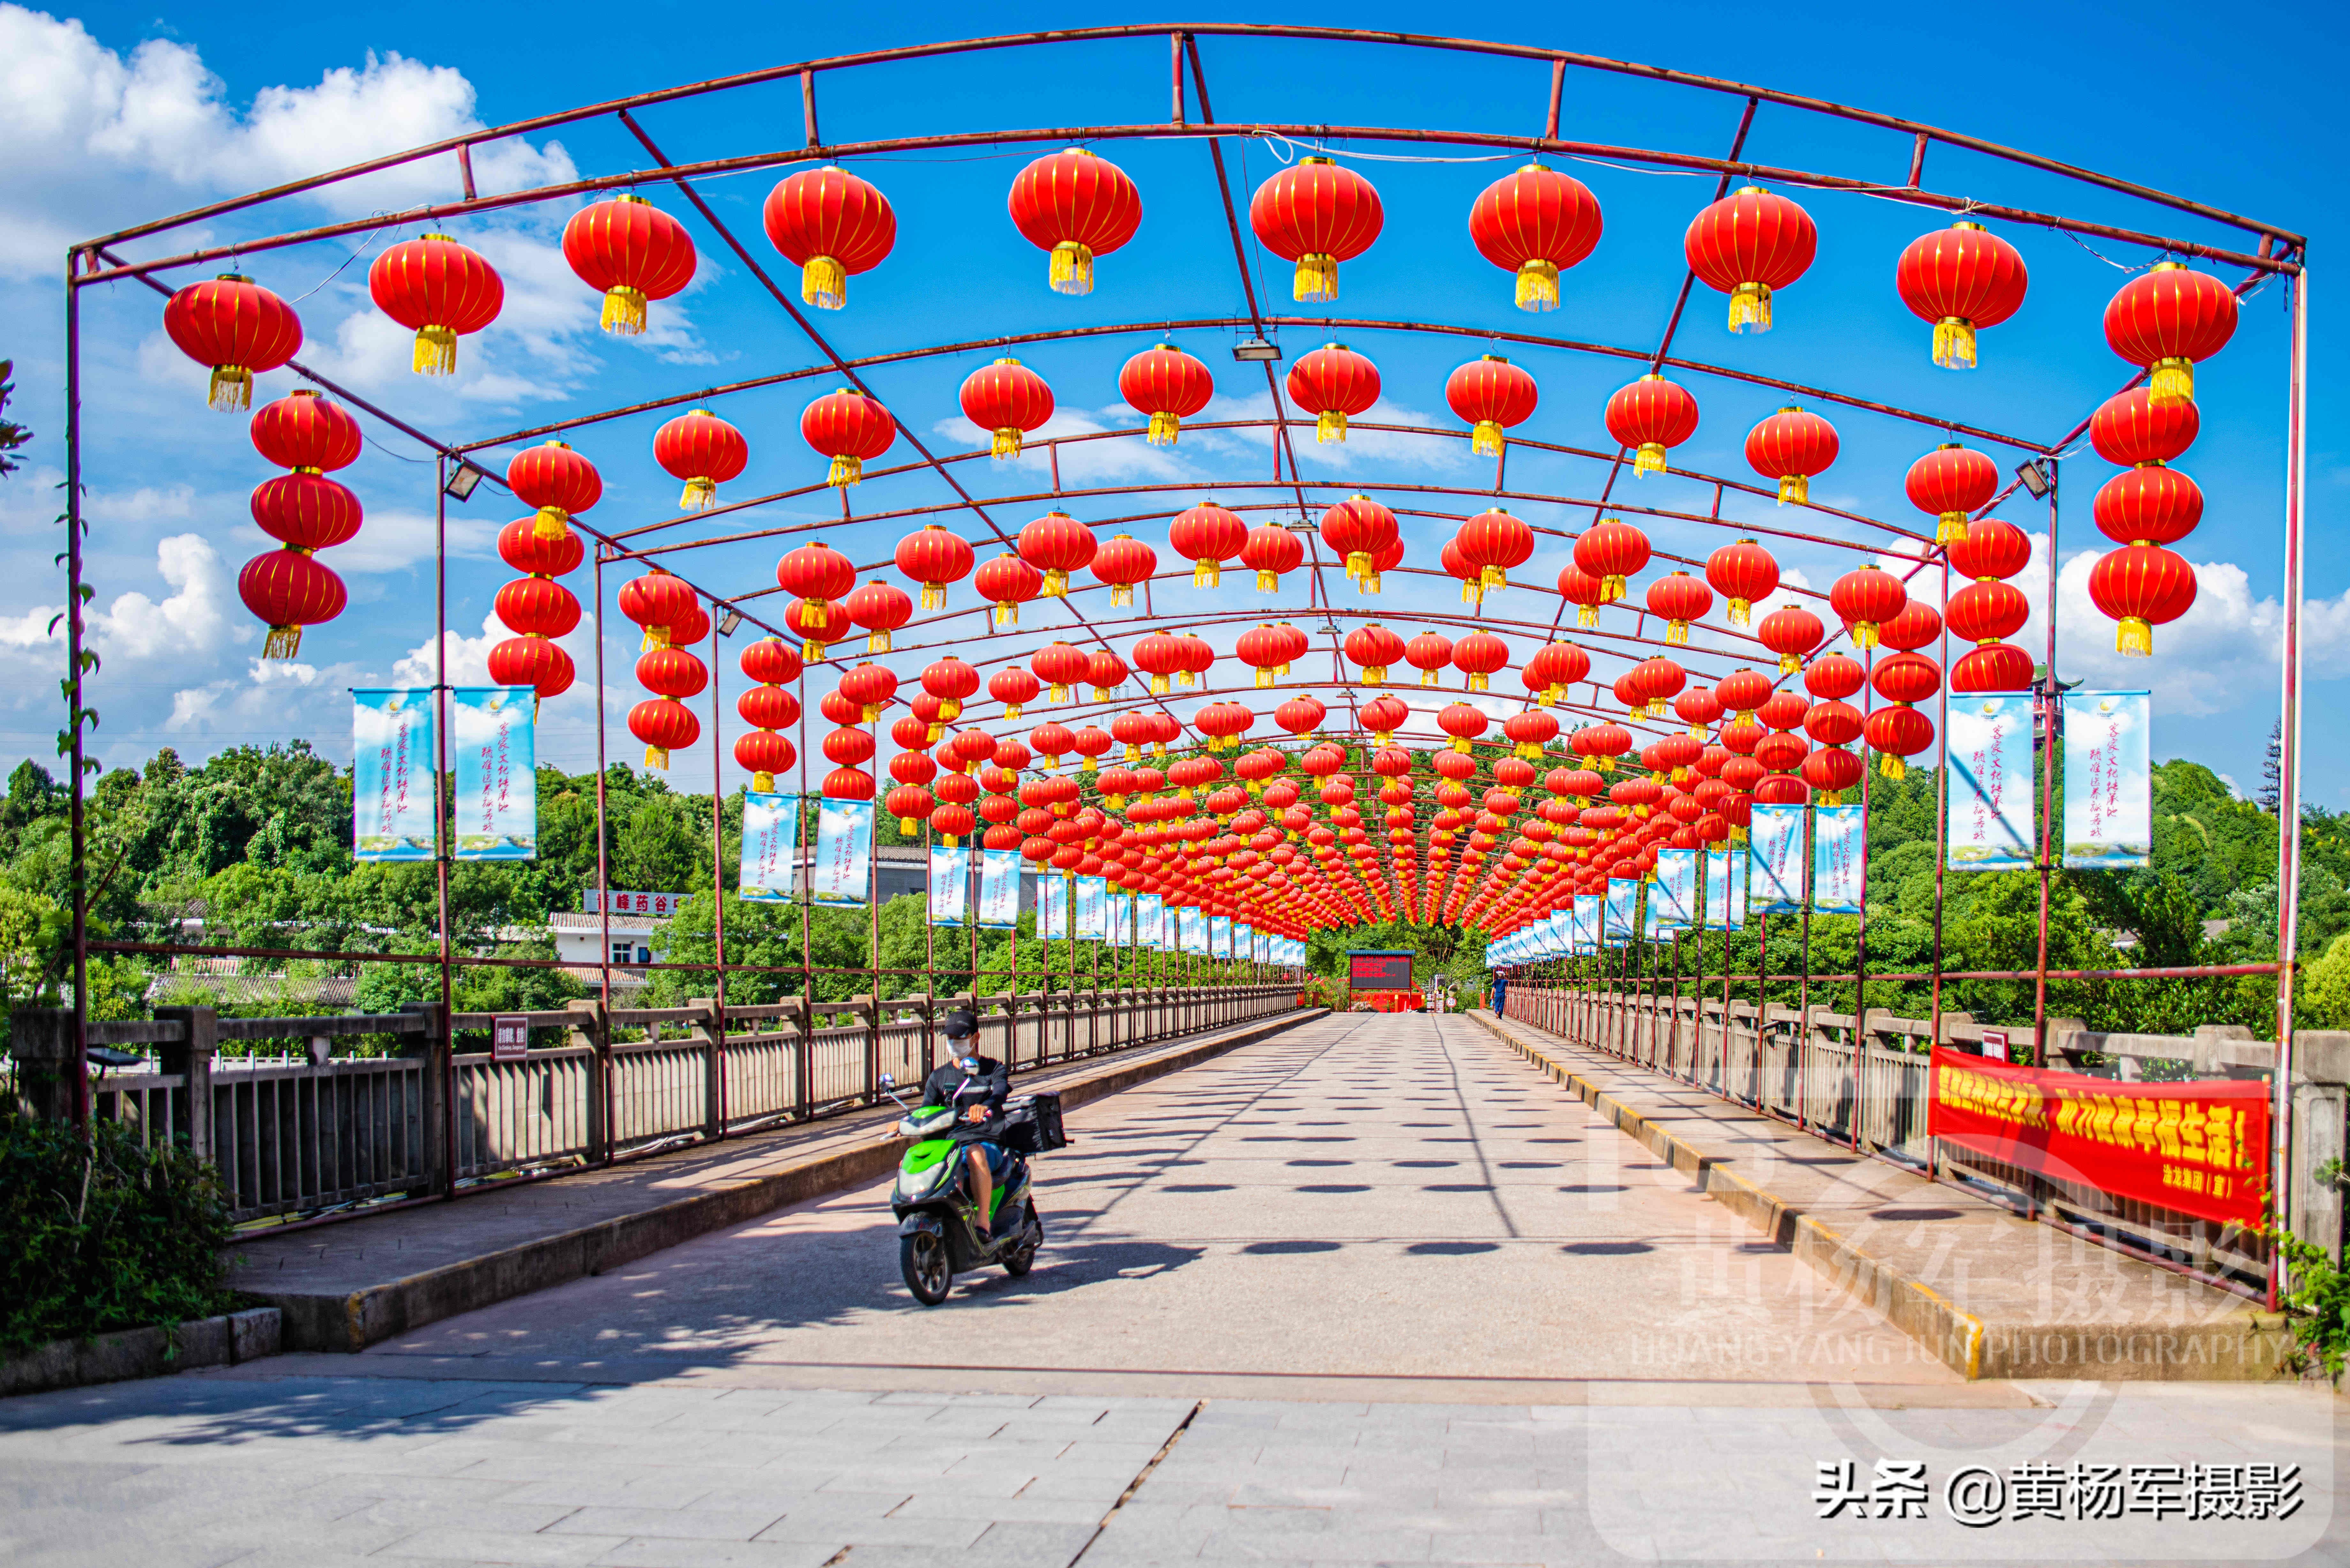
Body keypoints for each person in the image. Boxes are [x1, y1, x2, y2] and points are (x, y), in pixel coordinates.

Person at [921, 1008, 1010, 1240]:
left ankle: (982, 1222)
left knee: (974, 1153)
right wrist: (902, 1124)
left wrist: (986, 1105)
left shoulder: (993, 1069)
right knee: (913, 1160)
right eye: (950, 1038)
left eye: (959, 1038)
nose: (953, 1043)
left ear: (975, 1038)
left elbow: (1000, 1092)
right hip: (950, 1146)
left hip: (986, 1142)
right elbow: (926, 1111)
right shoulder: (939, 1077)